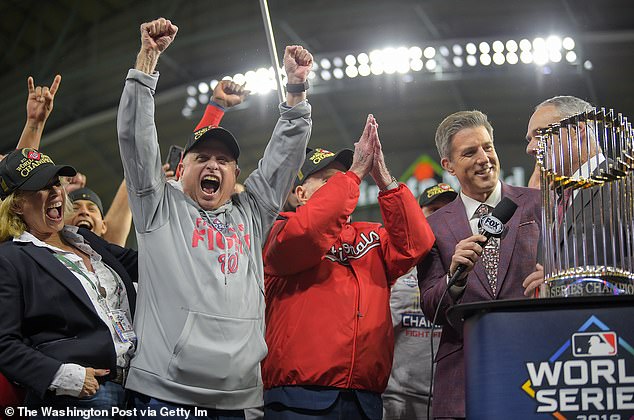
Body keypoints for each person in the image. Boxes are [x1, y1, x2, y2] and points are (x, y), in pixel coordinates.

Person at [117, 17, 313, 418]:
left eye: (224, 161)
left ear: (235, 176)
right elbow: (136, 139)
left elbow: (280, 163)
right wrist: (147, 62)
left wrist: (295, 92)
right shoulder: (157, 208)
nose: (214, 166)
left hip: (240, 397)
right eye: (202, 158)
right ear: (180, 170)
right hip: (164, 392)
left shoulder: (251, 214)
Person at [262, 115, 435, 420]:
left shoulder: (371, 235)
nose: (343, 184)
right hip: (299, 395)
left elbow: (416, 245)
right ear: (300, 194)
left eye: (344, 178)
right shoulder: (280, 229)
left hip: (363, 398)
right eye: (329, 180)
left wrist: (383, 178)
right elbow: (310, 232)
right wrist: (354, 172)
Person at [417, 110, 541, 419]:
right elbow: (431, 307)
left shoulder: (539, 204)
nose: (484, 158)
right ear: (448, 166)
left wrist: (553, 278)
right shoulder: (432, 228)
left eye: (488, 147)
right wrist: (454, 279)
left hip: (536, 367)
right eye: (470, 152)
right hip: (463, 378)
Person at [0, 148, 137, 418]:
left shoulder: (89, 241)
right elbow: (4, 343)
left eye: (55, 183)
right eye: (40, 186)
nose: (55, 192)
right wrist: (62, 376)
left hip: (137, 390)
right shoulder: (10, 258)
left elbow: (150, 265)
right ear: (17, 204)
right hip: (79, 397)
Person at [522, 95, 631, 295]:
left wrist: (570, 283)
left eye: (540, 134)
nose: (530, 148)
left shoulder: (626, 181)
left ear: (577, 130)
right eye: (530, 140)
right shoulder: (556, 201)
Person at [382, 183, 457, 420]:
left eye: (447, 210)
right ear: (417, 214)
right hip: (397, 396)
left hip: (449, 394)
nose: (440, 217)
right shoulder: (394, 264)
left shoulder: (466, 265)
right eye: (433, 209)